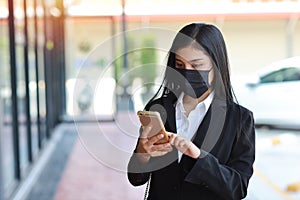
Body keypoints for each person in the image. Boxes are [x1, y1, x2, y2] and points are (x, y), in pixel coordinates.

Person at [127, 23, 255, 200]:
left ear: (216, 66)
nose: (186, 73)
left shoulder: (239, 119)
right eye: (180, 64)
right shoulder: (158, 109)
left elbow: (238, 188)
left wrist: (198, 156)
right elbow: (136, 178)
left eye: (196, 65)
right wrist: (142, 154)